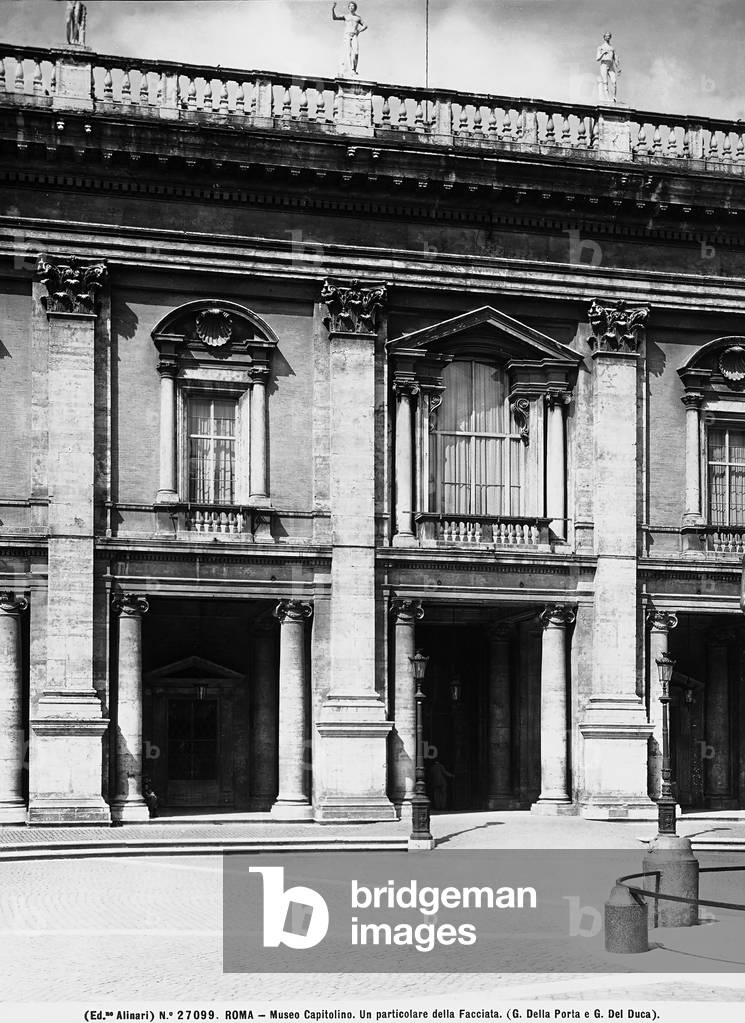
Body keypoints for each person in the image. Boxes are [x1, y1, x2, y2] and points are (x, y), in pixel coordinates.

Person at [331, 2, 367, 77]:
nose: (351, 7)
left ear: (355, 8)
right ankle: (351, 70)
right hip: (347, 35)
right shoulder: (346, 16)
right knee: (348, 53)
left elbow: (365, 25)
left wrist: (359, 31)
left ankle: (354, 69)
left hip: (354, 35)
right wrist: (333, 9)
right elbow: (334, 18)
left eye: (352, 6)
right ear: (348, 7)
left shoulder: (358, 17)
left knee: (356, 53)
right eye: (350, 6)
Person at [596, 31, 621, 103]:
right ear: (604, 37)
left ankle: (614, 97)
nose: (608, 37)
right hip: (604, 64)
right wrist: (603, 53)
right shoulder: (600, 47)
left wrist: (618, 68)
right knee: (605, 82)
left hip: (611, 65)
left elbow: (615, 59)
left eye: (609, 36)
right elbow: (597, 58)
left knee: (614, 82)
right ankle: (607, 98)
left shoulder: (612, 48)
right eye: (606, 36)